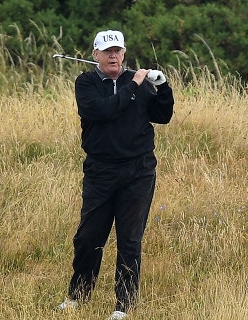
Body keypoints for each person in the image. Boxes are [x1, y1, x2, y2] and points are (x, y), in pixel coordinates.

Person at [58, 30, 174, 320]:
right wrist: (133, 85)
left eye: (118, 51)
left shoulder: (139, 81)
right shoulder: (86, 83)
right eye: (107, 51)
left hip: (138, 171)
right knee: (89, 237)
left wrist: (163, 87)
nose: (113, 56)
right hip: (101, 171)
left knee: (130, 240)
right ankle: (78, 296)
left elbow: (163, 116)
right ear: (95, 54)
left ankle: (124, 306)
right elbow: (104, 111)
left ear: (124, 53)